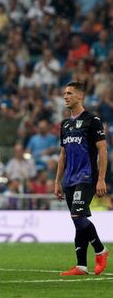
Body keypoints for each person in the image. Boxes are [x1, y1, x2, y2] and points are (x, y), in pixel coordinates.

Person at [54, 81, 109, 276]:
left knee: (77, 216)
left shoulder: (92, 120)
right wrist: (57, 181)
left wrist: (101, 178)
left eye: (69, 93)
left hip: (86, 176)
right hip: (69, 179)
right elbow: (63, 155)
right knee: (79, 220)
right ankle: (81, 266)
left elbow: (103, 150)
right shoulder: (65, 124)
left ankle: (101, 250)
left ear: (80, 96)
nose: (65, 96)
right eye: (64, 94)